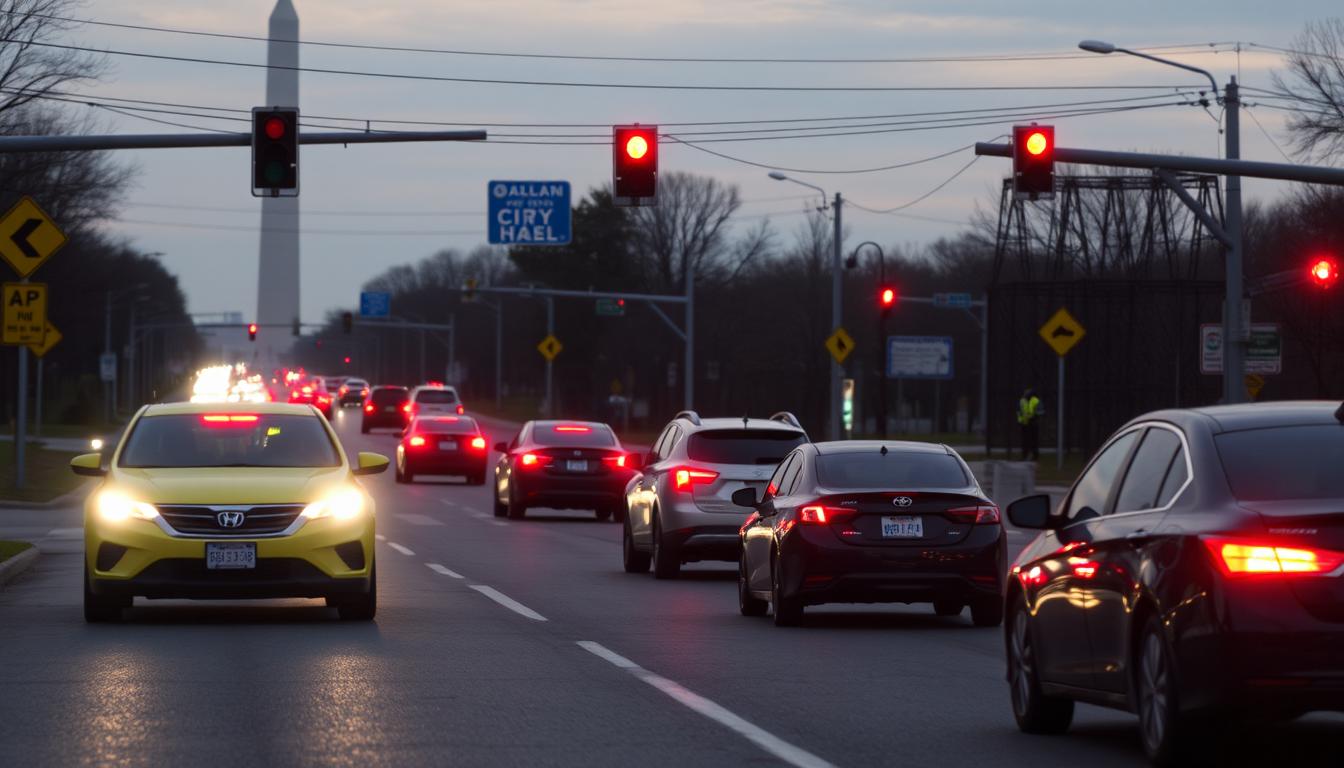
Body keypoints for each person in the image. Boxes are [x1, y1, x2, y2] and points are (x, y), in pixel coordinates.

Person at [1017, 387, 1043, 461]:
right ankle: (1025, 456)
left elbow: (1041, 412)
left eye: (1028, 392)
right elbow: (1019, 411)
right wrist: (1020, 420)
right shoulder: (1022, 401)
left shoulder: (1036, 401)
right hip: (1024, 424)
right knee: (1025, 441)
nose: (1026, 393)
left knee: (1034, 441)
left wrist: (1035, 417)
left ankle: (1035, 456)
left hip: (1033, 424)